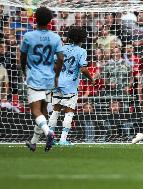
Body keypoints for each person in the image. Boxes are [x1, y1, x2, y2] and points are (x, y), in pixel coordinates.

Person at [21, 7, 64, 152]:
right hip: (49, 78)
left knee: (36, 111)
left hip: (35, 78)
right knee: (44, 111)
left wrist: (23, 71)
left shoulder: (28, 36)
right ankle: (33, 142)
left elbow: (23, 56)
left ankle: (48, 133)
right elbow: (60, 58)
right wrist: (57, 75)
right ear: (50, 21)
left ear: (35, 19)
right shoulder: (55, 37)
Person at [48, 26, 96, 146]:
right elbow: (83, 69)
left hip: (57, 82)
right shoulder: (82, 51)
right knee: (69, 112)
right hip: (70, 85)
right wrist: (91, 79)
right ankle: (63, 140)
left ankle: (50, 138)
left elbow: (54, 65)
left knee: (56, 110)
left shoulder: (61, 49)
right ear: (82, 39)